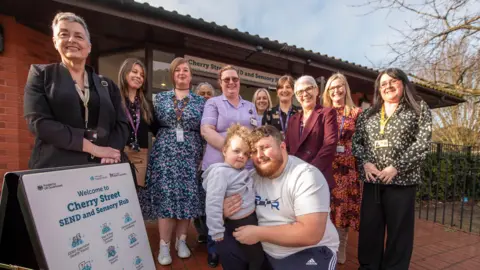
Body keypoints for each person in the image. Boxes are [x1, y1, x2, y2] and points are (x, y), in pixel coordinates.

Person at [221, 125, 339, 270]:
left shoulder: (305, 176)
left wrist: (258, 233)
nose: (259, 155)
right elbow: (226, 212)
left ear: (282, 147)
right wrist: (224, 211)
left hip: (308, 250)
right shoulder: (250, 178)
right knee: (228, 246)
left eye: (265, 147)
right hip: (265, 250)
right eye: (253, 151)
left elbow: (310, 234)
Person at [23, 12, 128, 169]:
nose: (71, 40)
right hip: (56, 168)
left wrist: (111, 152)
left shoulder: (107, 84)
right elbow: (38, 123)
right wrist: (94, 149)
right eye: (64, 34)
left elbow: (122, 124)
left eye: (79, 36)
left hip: (102, 169)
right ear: (55, 41)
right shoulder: (41, 75)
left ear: (89, 47)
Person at [352, 68, 432, 270]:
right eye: (383, 83)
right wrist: (366, 162)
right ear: (378, 89)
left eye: (393, 81)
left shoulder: (419, 109)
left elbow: (422, 144)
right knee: (370, 230)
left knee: (399, 234)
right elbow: (356, 143)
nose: (388, 86)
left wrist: (396, 167)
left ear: (403, 84)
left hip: (402, 182)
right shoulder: (368, 114)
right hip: (373, 182)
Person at [140, 57, 205, 266]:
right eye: (178, 70)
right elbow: (149, 124)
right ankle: (164, 244)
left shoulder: (200, 101)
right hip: (165, 154)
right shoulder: (160, 99)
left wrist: (203, 157)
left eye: (185, 70)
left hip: (190, 154)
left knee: (186, 198)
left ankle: (182, 241)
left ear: (191, 76)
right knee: (166, 198)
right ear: (172, 75)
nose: (182, 73)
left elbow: (205, 130)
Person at [201, 65, 260, 267]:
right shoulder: (213, 102)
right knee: (218, 206)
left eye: (234, 78)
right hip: (220, 164)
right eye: (226, 79)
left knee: (241, 208)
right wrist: (232, 149)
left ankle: (242, 249)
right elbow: (207, 131)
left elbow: (257, 133)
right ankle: (215, 249)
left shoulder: (250, 105)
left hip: (245, 168)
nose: (231, 82)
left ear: (239, 81)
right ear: (220, 82)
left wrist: (245, 154)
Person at [202, 124, 264, 270]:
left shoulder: (239, 171)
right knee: (255, 258)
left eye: (246, 153)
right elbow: (213, 203)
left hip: (249, 220)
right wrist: (216, 230)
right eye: (236, 151)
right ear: (224, 150)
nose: (242, 156)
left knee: (254, 257)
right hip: (238, 224)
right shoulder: (220, 173)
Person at [322, 73, 362, 264]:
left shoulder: (356, 113)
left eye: (339, 86)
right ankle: (327, 245)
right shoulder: (323, 113)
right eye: (332, 88)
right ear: (327, 92)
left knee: (343, 210)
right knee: (327, 208)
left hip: (347, 170)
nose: (336, 91)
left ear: (345, 88)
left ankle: (342, 245)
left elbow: (364, 143)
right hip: (328, 168)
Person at [284, 75, 338, 190]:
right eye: (300, 92)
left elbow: (330, 144)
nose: (305, 94)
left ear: (316, 90)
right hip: (295, 178)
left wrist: (310, 170)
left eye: (308, 88)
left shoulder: (327, 113)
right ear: (297, 97)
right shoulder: (293, 119)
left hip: (318, 176)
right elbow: (287, 148)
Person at [118, 58, 159, 187]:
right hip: (117, 154)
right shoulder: (114, 100)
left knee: (136, 196)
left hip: (140, 156)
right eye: (134, 72)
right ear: (125, 73)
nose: (138, 77)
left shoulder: (147, 105)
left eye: (142, 75)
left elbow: (158, 130)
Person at [193, 81, 216, 244]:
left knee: (209, 196)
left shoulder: (217, 112)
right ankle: (201, 231)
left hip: (211, 161)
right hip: (193, 159)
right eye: (202, 93)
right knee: (196, 196)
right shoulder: (192, 113)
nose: (206, 96)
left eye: (209, 93)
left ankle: (210, 232)